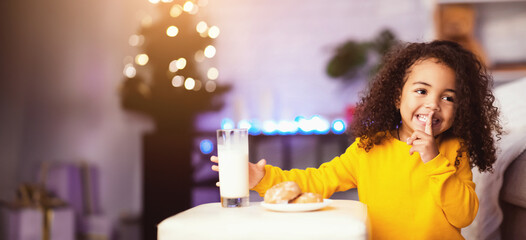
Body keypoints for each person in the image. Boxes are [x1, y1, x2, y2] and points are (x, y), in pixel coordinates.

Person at [211, 40, 502, 239]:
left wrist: (434, 160)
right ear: (396, 95)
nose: (433, 105)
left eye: (447, 97)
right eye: (422, 91)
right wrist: (261, 178)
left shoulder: (453, 150)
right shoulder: (369, 147)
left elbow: (464, 215)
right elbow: (317, 181)